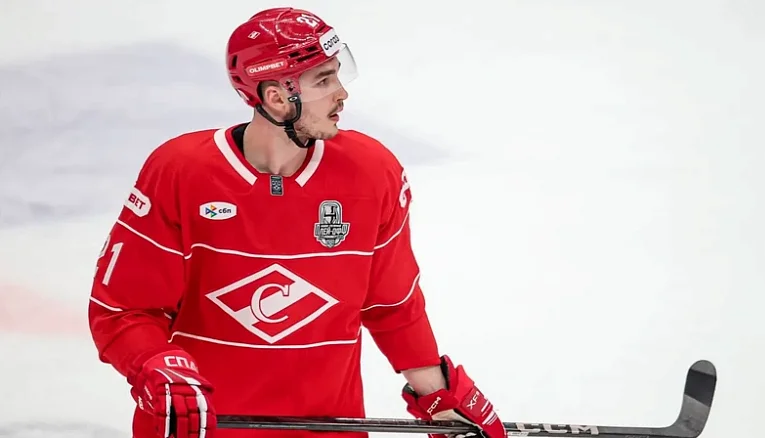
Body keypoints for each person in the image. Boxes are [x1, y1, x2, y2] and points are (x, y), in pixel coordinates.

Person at [88, 7, 506, 438]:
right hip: (199, 428)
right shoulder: (180, 172)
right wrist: (157, 364)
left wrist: (439, 398)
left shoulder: (372, 172)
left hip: (330, 428)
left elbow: (392, 305)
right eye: (323, 81)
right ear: (275, 97)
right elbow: (122, 310)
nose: (342, 93)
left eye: (338, 75)